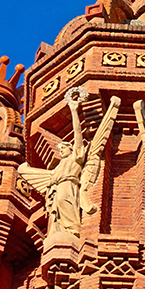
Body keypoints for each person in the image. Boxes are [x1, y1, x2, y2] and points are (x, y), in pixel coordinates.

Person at [46, 96, 85, 237]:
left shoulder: (76, 157)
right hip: (58, 188)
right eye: (59, 149)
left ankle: (74, 230)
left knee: (65, 201)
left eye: (64, 148)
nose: (61, 150)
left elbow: (78, 135)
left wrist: (74, 111)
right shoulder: (59, 166)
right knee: (57, 212)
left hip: (69, 185)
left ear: (71, 148)